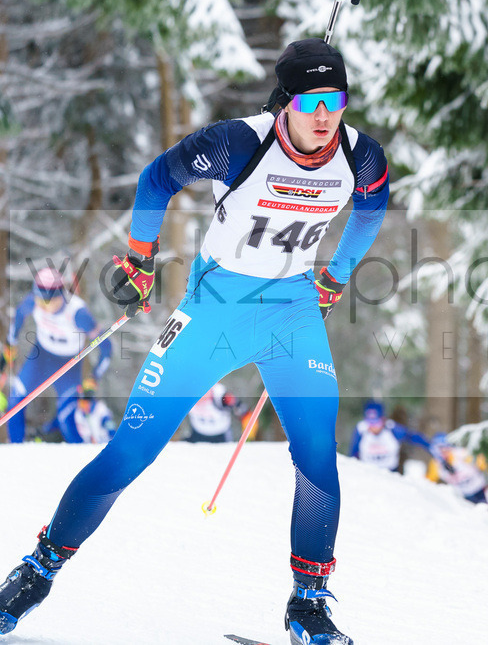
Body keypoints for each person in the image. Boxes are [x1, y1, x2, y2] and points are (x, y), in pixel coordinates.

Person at [0, 38, 389, 645]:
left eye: (335, 99)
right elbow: (158, 180)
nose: (324, 114)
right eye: (311, 100)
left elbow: (371, 210)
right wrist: (141, 256)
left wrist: (336, 275)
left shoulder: (361, 156)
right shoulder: (237, 142)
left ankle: (308, 606)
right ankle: (33, 576)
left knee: (317, 456)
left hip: (290, 314)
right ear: (286, 102)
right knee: (133, 449)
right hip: (215, 312)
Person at [2, 268, 112, 443]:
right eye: (40, 300)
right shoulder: (33, 301)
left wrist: (94, 377)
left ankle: (65, 448)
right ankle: (17, 450)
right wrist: (10, 347)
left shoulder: (77, 313)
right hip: (41, 358)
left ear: (61, 294)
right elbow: (19, 317)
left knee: (67, 419)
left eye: (49, 301)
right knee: (15, 401)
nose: (44, 306)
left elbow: (106, 347)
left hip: (68, 365)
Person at [426, 434, 488, 510]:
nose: (443, 451)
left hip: (479, 490)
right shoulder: (436, 464)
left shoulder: (461, 455)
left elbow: (486, 463)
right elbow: (428, 482)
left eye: (445, 447)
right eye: (439, 448)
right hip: (462, 496)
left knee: (485, 512)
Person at [348, 401, 431, 473]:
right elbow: (354, 453)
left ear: (383, 420)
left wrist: (429, 445)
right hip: (368, 472)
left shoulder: (392, 428)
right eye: (370, 422)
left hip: (390, 472)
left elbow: (411, 437)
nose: (373, 427)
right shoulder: (361, 429)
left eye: (376, 422)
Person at [43, 383, 116, 444]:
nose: (82, 405)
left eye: (86, 402)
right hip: (85, 446)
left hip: (103, 445)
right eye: (81, 402)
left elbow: (110, 428)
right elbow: (60, 422)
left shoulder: (100, 409)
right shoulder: (77, 413)